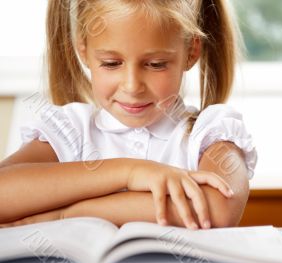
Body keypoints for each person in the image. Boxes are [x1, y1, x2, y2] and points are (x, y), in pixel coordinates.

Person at [0, 0, 257, 230]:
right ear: (83, 51)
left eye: (156, 64)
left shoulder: (210, 131)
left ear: (191, 52)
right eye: (111, 63)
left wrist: (69, 214)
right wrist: (129, 172)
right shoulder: (71, 130)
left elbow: (218, 209)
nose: (132, 86)